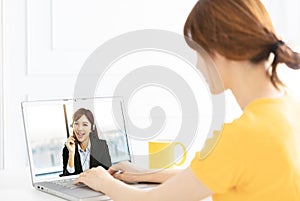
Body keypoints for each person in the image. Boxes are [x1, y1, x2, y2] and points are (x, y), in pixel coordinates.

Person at [74, 0, 300, 200]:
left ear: (220, 48)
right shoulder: (290, 108)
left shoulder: (242, 136)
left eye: (197, 52)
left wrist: (104, 182)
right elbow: (211, 173)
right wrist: (141, 174)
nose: (197, 65)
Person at [61, 108, 112, 176]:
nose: (79, 128)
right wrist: (71, 153)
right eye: (76, 123)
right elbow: (67, 178)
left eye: (85, 124)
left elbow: (108, 173)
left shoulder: (101, 146)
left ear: (92, 128)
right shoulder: (68, 148)